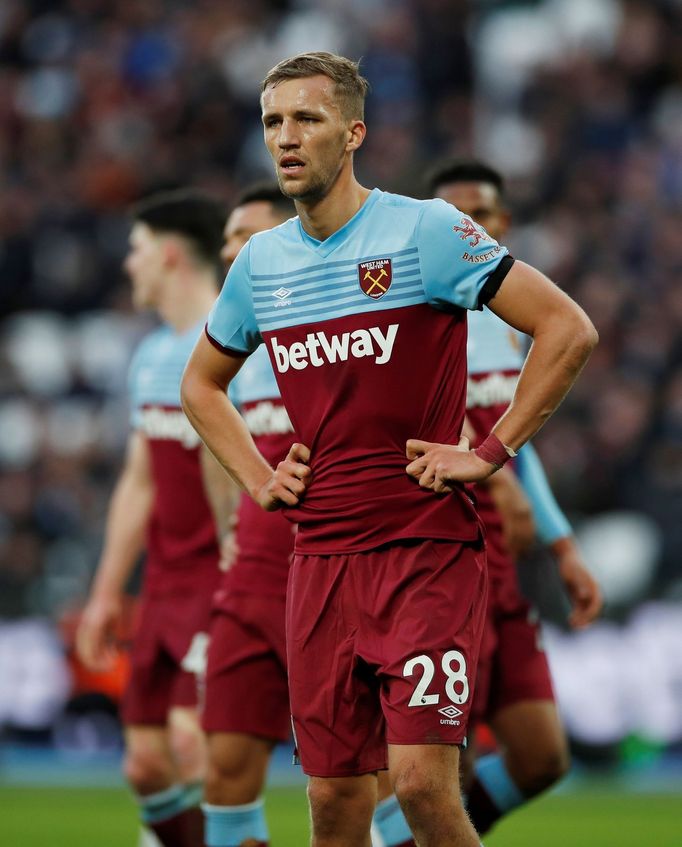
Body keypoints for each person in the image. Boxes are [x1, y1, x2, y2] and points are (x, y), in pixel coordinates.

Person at [181, 52, 598, 847]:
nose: (286, 137)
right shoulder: (261, 263)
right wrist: (260, 477)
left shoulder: (424, 230)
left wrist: (491, 450)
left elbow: (568, 328)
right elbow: (201, 385)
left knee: (420, 789)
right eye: (273, 121)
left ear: (354, 132)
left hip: (425, 550)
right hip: (321, 558)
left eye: (307, 118)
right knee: (333, 801)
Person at [371, 161, 603, 845]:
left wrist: (562, 546)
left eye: (483, 212)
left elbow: (517, 446)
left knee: (540, 756)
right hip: (441, 547)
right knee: (436, 764)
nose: (470, 222)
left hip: (504, 558)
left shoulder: (507, 326)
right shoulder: (420, 312)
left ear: (501, 227)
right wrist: (494, 478)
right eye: (455, 211)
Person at [76, 189, 230, 847]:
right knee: (145, 764)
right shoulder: (151, 358)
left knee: (195, 748)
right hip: (163, 588)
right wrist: (106, 591)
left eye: (136, 251)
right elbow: (139, 481)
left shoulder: (237, 345)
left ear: (170, 254)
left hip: (220, 583)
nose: (128, 266)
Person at [201, 183, 297, 847]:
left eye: (245, 237)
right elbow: (207, 418)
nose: (230, 250)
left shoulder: (337, 315)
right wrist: (227, 524)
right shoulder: (228, 336)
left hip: (328, 564)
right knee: (227, 765)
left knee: (361, 776)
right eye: (227, 240)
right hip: (252, 574)